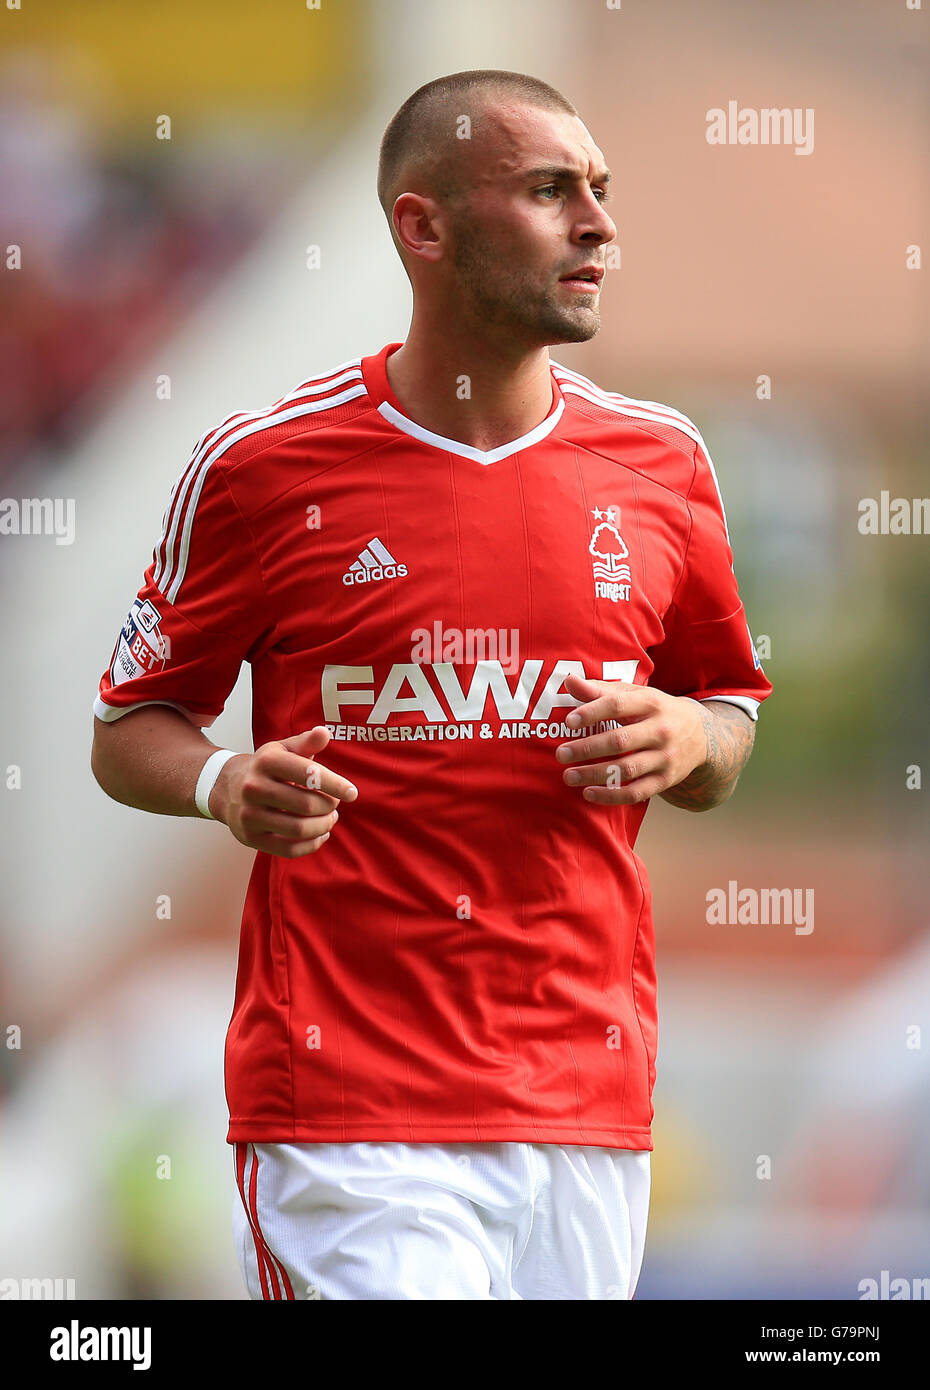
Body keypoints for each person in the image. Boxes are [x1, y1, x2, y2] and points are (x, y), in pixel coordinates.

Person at [90, 69, 772, 1301]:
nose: (601, 226)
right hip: (350, 1108)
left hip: (587, 1105)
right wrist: (221, 781)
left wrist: (689, 733)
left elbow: (730, 718)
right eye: (552, 190)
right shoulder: (261, 467)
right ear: (425, 226)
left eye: (602, 192)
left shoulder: (664, 463)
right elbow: (129, 723)